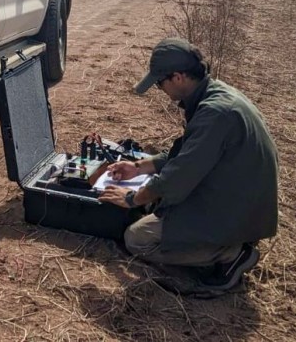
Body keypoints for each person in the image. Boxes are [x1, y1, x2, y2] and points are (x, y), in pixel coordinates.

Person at [98, 38, 279, 292]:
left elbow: (179, 177)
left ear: (179, 77)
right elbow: (185, 154)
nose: (161, 89)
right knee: (155, 200)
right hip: (237, 199)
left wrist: (132, 199)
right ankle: (224, 243)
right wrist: (139, 168)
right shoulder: (215, 95)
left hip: (237, 211)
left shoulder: (215, 113)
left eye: (160, 83)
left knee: (137, 239)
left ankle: (231, 254)